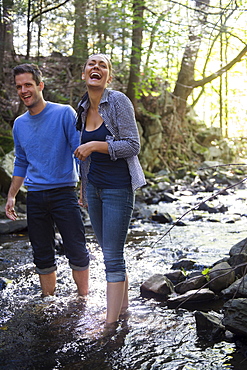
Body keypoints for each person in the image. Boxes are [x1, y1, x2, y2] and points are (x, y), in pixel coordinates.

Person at [5, 63, 89, 297]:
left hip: (64, 193)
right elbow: (21, 161)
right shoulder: (19, 124)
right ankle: (49, 301)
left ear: (40, 85)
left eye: (28, 85)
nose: (23, 90)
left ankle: (83, 299)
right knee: (42, 254)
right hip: (35, 197)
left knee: (77, 249)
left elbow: (79, 152)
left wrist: (85, 188)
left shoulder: (64, 113)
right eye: (19, 86)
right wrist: (12, 195)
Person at [74, 54, 146, 327]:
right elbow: (83, 157)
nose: (96, 68)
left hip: (119, 188)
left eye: (102, 65)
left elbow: (132, 145)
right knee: (108, 251)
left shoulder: (118, 101)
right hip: (94, 188)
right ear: (84, 75)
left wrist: (95, 145)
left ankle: (109, 325)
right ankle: (123, 310)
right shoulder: (82, 106)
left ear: (109, 77)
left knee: (113, 257)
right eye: (91, 64)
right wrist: (84, 188)